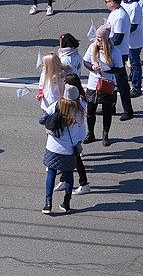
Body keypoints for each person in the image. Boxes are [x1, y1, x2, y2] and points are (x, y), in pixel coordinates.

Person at [40, 83, 87, 215]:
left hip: (53, 147)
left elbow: (42, 119)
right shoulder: (79, 112)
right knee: (69, 174)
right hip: (69, 149)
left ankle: (48, 203)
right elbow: (82, 133)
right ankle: (66, 202)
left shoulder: (56, 105)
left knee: (51, 173)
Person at [83, 24, 120, 145]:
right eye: (97, 37)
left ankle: (105, 135)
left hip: (107, 84)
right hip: (93, 84)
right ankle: (90, 133)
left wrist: (107, 70)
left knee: (107, 111)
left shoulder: (114, 51)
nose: (97, 40)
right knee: (90, 111)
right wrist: (92, 67)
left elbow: (120, 69)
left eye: (100, 38)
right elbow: (86, 61)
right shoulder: (92, 47)